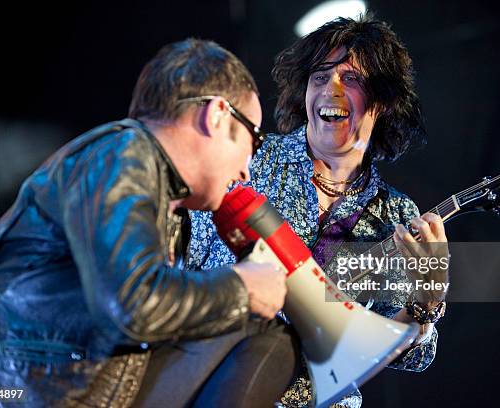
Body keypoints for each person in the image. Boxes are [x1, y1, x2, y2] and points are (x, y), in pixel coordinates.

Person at [0, 39, 300, 407]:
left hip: (62, 387)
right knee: (266, 333)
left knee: (259, 330)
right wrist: (241, 287)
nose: (246, 168)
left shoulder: (161, 193)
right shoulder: (124, 153)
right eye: (253, 137)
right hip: (22, 395)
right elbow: (131, 305)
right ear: (217, 114)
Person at [189, 16, 449, 407]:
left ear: (383, 101)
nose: (331, 89)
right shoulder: (250, 160)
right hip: (218, 390)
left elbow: (412, 356)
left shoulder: (396, 215)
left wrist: (429, 297)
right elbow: (180, 261)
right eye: (320, 77)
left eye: (352, 79)